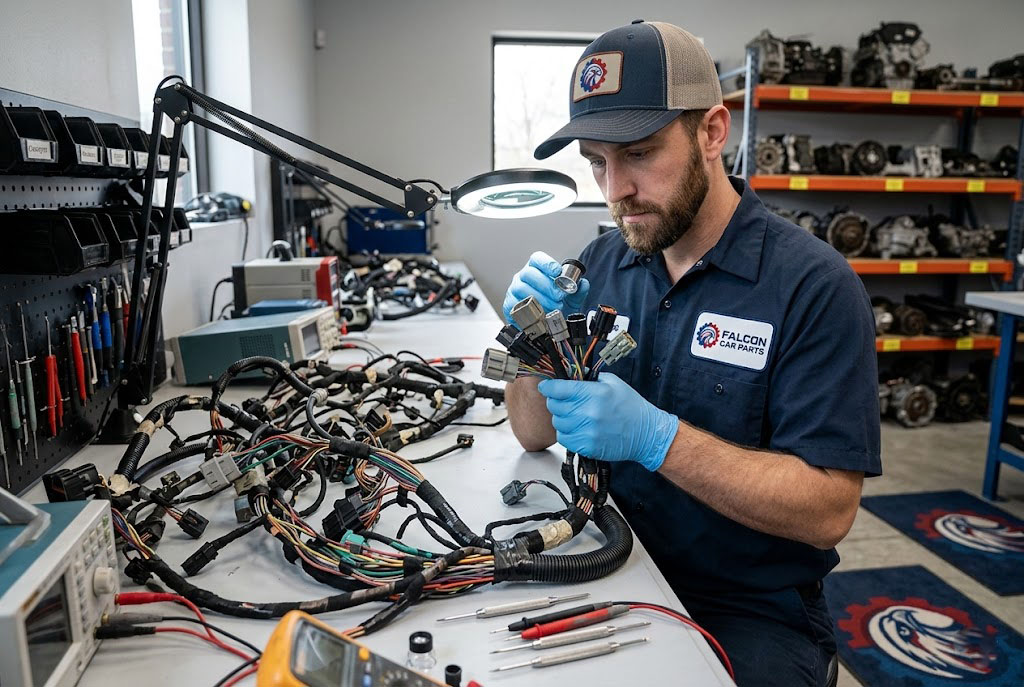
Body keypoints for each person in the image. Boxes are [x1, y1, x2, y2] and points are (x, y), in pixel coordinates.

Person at [502, 20, 881, 687]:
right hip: (612, 558)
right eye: (596, 160)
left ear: (711, 132)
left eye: (640, 153)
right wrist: (535, 340)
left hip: (748, 607)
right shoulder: (602, 261)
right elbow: (532, 431)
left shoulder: (814, 287)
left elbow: (827, 511)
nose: (614, 188)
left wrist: (658, 438)